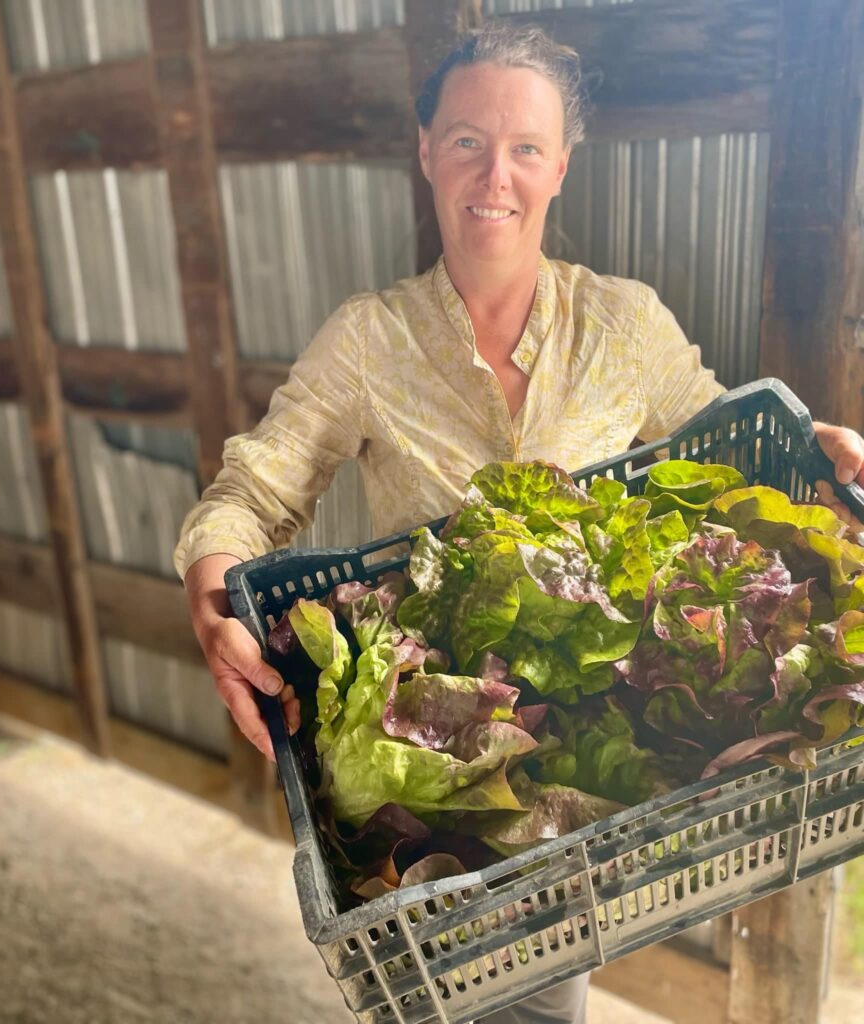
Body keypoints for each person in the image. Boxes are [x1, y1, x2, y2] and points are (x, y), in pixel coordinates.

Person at [175, 24, 864, 1024]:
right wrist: (211, 595)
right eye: (465, 140)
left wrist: (819, 444)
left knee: (541, 994)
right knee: (479, 991)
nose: (493, 173)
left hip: (591, 759)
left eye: (524, 148)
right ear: (425, 150)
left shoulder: (624, 325)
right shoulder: (369, 341)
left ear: (559, 168)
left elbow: (721, 445)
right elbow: (250, 490)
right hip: (444, 761)